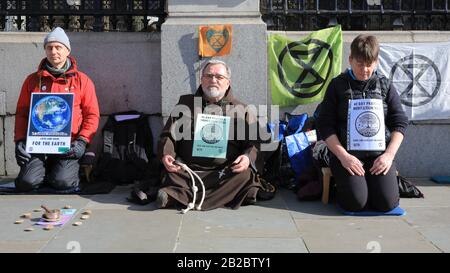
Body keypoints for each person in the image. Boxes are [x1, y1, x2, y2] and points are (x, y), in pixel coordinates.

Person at [317, 34, 408, 212]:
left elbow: (400, 122)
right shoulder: (337, 86)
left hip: (378, 155)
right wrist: (344, 157)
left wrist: (388, 155)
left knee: (386, 203)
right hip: (347, 155)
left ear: (376, 62)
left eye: (369, 64)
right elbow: (325, 125)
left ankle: (373, 186)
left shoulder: (385, 85)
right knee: (356, 203)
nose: (365, 70)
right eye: (360, 64)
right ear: (350, 60)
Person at [157, 59, 264, 210]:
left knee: (245, 175)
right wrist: (166, 154)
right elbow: (168, 135)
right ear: (201, 80)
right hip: (187, 171)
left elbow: (254, 142)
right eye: (208, 76)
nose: (213, 80)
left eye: (219, 77)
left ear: (228, 82)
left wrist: (247, 158)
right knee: (170, 173)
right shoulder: (185, 105)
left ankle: (179, 197)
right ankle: (219, 197)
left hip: (224, 172)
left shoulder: (242, 109)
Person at [14, 27, 100, 192]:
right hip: (37, 143)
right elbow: (22, 114)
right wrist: (19, 141)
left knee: (62, 183)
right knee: (27, 183)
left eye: (58, 47)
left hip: (68, 145)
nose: (54, 51)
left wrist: (82, 141)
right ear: (45, 50)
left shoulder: (83, 81)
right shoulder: (32, 80)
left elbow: (92, 115)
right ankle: (40, 169)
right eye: (49, 47)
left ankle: (60, 168)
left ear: (67, 50)